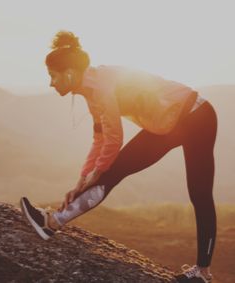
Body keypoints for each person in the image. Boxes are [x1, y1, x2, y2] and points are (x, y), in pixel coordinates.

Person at [20, 31, 217, 283]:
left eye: (53, 76)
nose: (50, 83)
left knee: (199, 193)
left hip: (196, 116)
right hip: (168, 124)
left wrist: (96, 173)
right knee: (109, 172)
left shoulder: (100, 88)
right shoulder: (90, 90)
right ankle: (52, 223)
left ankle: (202, 273)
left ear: (69, 73)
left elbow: (114, 139)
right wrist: (82, 179)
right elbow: (100, 138)